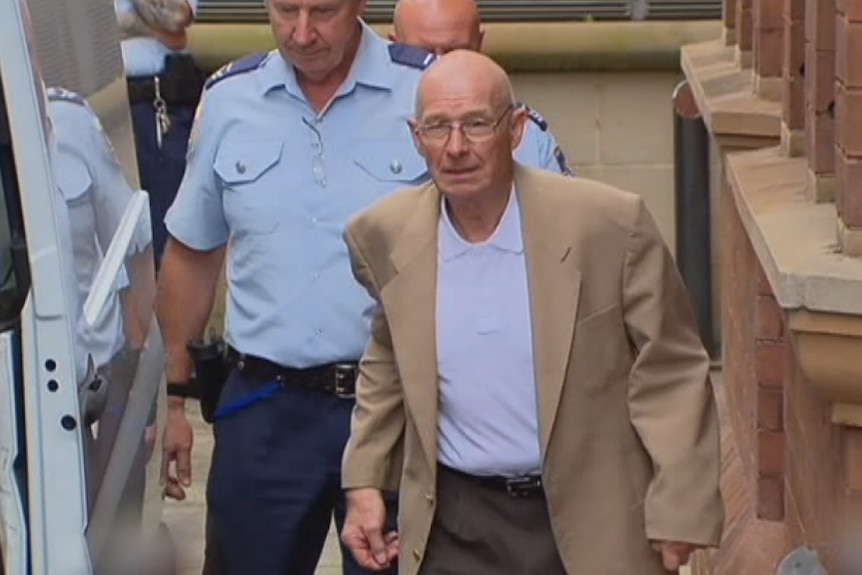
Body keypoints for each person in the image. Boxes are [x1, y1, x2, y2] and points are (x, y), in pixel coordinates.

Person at [339, 50, 725, 575]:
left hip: (592, 517)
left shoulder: (608, 224)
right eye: (438, 127)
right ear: (415, 137)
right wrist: (365, 481)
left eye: (476, 124)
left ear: (516, 129)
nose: (456, 147)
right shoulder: (384, 234)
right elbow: (387, 361)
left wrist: (680, 507)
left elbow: (672, 368)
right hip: (455, 522)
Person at [154, 0, 437, 573]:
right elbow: (193, 254)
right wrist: (173, 400)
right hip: (265, 409)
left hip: (395, 409)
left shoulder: (427, 91)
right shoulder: (231, 99)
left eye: (324, 11)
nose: (302, 32)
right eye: (286, 10)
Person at [391, 0, 573, 176]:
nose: (441, 66)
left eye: (455, 51)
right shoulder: (367, 118)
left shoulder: (523, 131)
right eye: (422, 55)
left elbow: (561, 204)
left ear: (478, 43)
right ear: (394, 45)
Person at [115, 0, 205, 271]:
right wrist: (155, 31)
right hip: (97, 102)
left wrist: (122, 23)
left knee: (169, 236)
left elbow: (176, 16)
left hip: (156, 105)